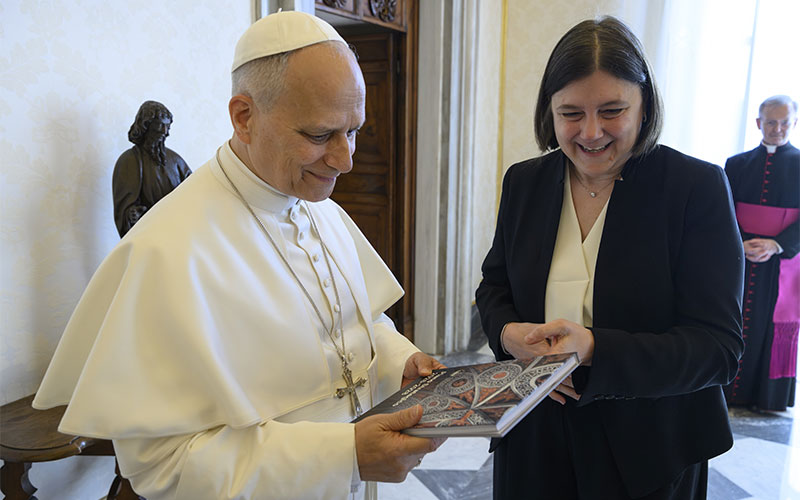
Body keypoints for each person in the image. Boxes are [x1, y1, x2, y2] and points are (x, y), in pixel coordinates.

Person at [33, 11, 445, 500]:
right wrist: (344, 455)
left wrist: (399, 359)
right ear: (244, 117)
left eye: (353, 130)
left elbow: (355, 321)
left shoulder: (323, 212)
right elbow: (163, 468)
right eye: (319, 136)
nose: (346, 160)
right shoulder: (165, 250)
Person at [476, 16, 744, 500]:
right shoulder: (525, 182)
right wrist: (506, 333)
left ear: (645, 106)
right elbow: (494, 287)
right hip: (534, 435)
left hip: (650, 446)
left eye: (612, 110)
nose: (591, 132)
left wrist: (596, 348)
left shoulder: (694, 189)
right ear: (549, 111)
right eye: (571, 113)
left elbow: (718, 348)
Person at [723, 95, 799, 412]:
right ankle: (727, 390)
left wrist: (775, 244)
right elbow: (721, 211)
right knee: (733, 320)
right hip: (740, 256)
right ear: (758, 123)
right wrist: (738, 242)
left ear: (793, 123)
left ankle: (768, 398)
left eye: (784, 122)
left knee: (772, 326)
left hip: (783, 260)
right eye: (771, 121)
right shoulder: (736, 164)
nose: (777, 128)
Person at [112, 100, 192, 237]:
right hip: (148, 238)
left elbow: (193, 194)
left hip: (178, 235)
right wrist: (131, 214)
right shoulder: (129, 161)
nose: (165, 132)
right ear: (146, 125)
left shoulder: (176, 161)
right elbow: (124, 211)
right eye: (160, 125)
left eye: (168, 127)